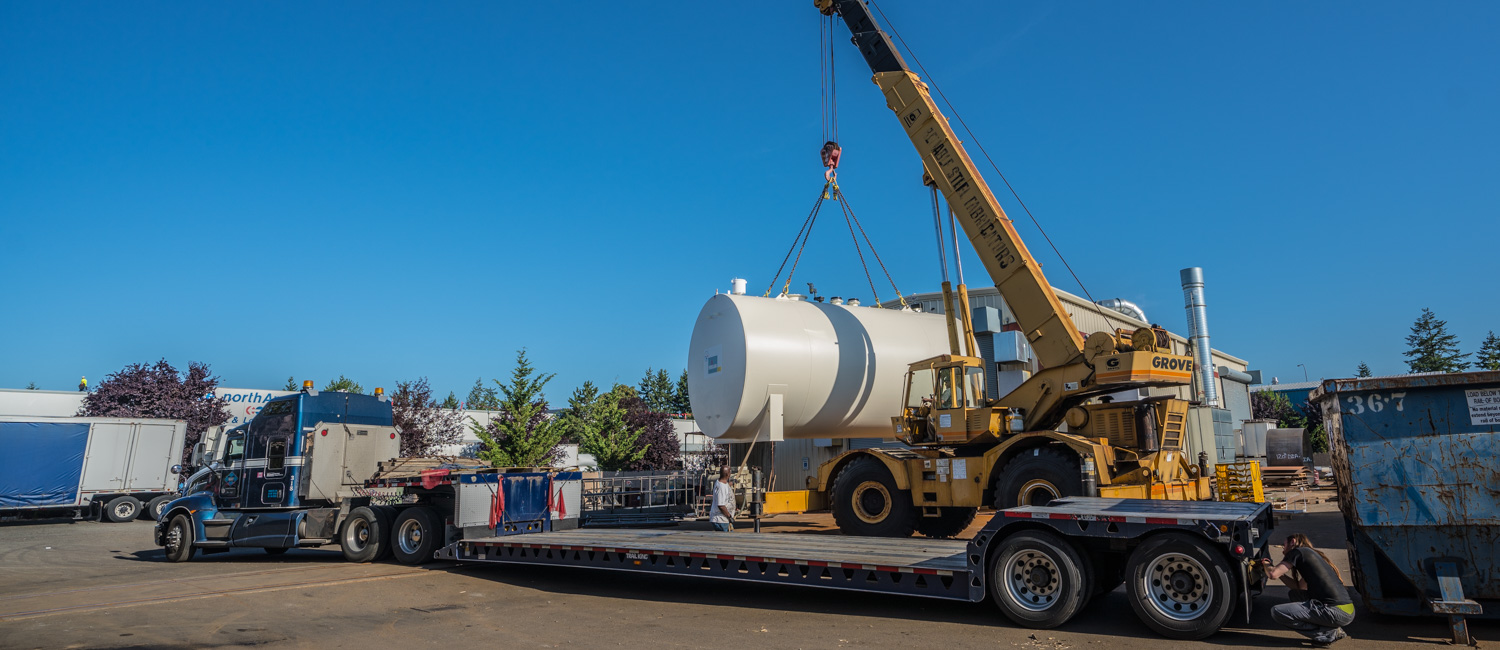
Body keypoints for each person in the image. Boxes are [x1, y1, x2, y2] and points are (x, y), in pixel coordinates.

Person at [1263, 533, 1355, 646]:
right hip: (1347, 611)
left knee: (1277, 612)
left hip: (1336, 611)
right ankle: (1327, 628)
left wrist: (1266, 564)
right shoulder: (1311, 555)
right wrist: (1281, 574)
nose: (1283, 550)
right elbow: (1299, 587)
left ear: (1293, 542)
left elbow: (1272, 574)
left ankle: (1328, 634)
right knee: (1295, 594)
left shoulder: (1296, 552)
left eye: (1284, 545)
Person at [710, 466, 736, 532]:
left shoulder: (720, 482)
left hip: (722, 519)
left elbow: (724, 486)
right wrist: (729, 516)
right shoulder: (721, 487)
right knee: (728, 540)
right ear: (728, 474)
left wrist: (730, 484)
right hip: (721, 519)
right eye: (730, 472)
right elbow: (721, 505)